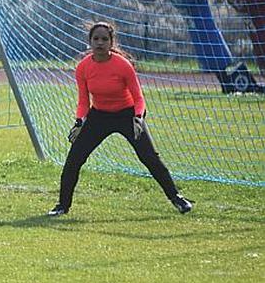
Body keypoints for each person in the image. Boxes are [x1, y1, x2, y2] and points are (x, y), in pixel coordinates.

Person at [47, 22, 193, 217]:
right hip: (98, 116)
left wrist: (138, 118)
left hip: (127, 116)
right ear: (89, 41)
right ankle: (62, 206)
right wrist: (79, 121)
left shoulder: (122, 65)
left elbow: (139, 97)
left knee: (150, 158)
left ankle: (177, 199)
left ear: (111, 42)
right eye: (96, 39)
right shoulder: (82, 67)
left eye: (104, 39)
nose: (99, 43)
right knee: (74, 160)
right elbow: (83, 101)